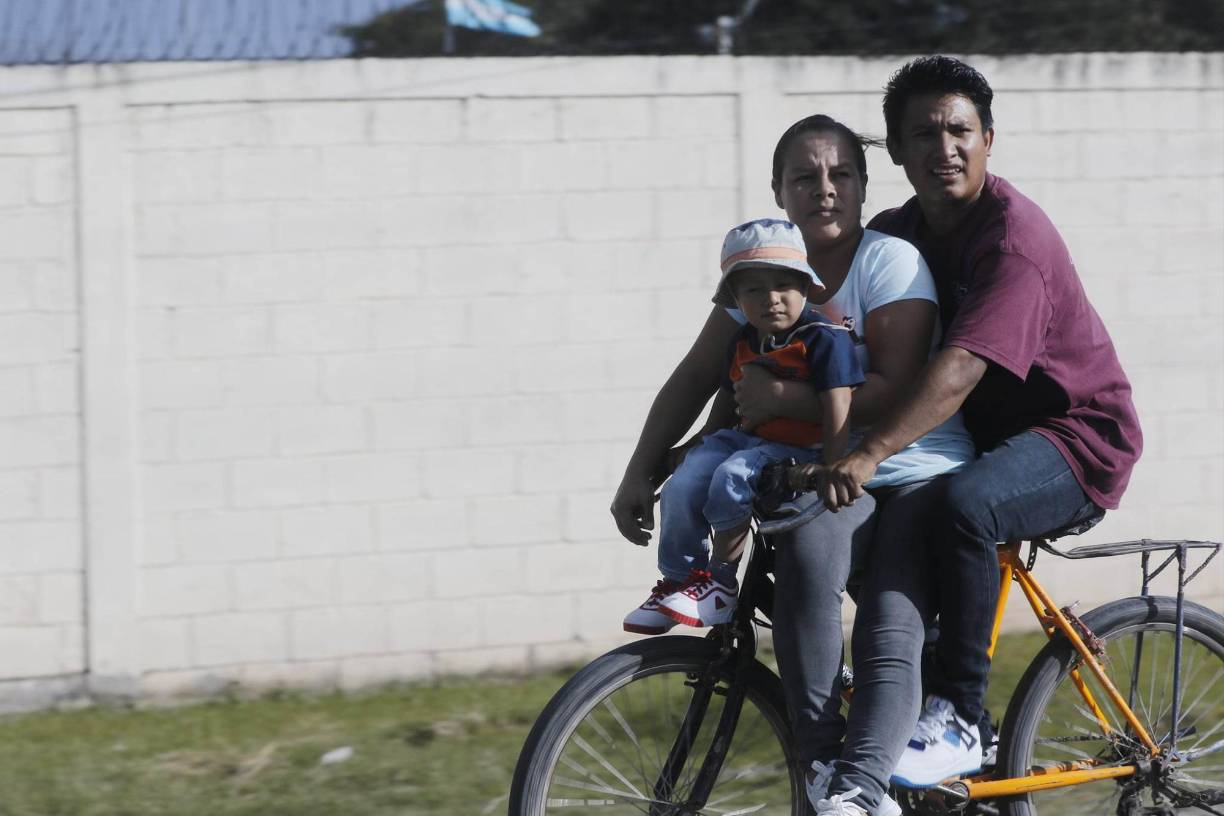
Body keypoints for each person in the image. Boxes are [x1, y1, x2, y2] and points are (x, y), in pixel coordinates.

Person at [610, 113, 975, 816]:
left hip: (904, 465)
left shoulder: (888, 261)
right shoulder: (764, 279)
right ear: (779, 191)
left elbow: (897, 386)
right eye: (804, 177)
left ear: (866, 186)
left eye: (841, 174)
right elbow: (696, 375)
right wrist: (642, 472)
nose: (825, 189)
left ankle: (853, 778)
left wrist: (784, 396)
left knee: (834, 569)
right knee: (793, 554)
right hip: (812, 467)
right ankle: (822, 758)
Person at [812, 56, 1142, 812]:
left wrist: (867, 451)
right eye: (922, 133)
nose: (944, 147)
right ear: (895, 152)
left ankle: (963, 715)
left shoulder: (1012, 240)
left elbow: (958, 370)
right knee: (892, 522)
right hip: (985, 443)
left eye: (960, 129)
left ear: (989, 139)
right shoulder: (895, 235)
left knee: (963, 505)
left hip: (1075, 438)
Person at [623, 218, 865, 635]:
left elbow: (838, 403)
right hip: (751, 438)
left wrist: (832, 463)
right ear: (735, 298)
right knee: (686, 479)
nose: (772, 299)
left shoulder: (824, 338)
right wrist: (700, 443)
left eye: (784, 286)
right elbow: (729, 395)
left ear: (806, 288)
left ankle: (719, 581)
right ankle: (680, 579)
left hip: (799, 449)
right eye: (754, 289)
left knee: (732, 477)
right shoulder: (745, 339)